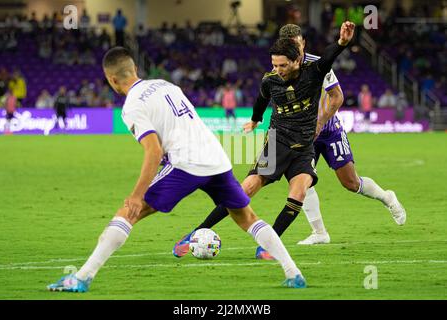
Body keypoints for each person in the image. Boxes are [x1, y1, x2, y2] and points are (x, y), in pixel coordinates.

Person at [47, 47, 307, 293]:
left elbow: (153, 151)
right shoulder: (165, 84)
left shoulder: (132, 106)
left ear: (111, 79)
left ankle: (81, 278)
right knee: (247, 218)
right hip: (216, 158)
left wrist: (137, 195)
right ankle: (293, 273)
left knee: (128, 212)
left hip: (186, 163)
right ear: (135, 67)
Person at [173, 22, 406, 258]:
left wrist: (320, 121)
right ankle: (317, 232)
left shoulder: (316, 66)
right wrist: (254, 120)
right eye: (278, 61)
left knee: (348, 183)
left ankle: (386, 197)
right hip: (283, 138)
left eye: (295, 48)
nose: (280, 66)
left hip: (325, 128)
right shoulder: (274, 74)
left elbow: (336, 96)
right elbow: (262, 97)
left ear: (301, 46)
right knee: (265, 187)